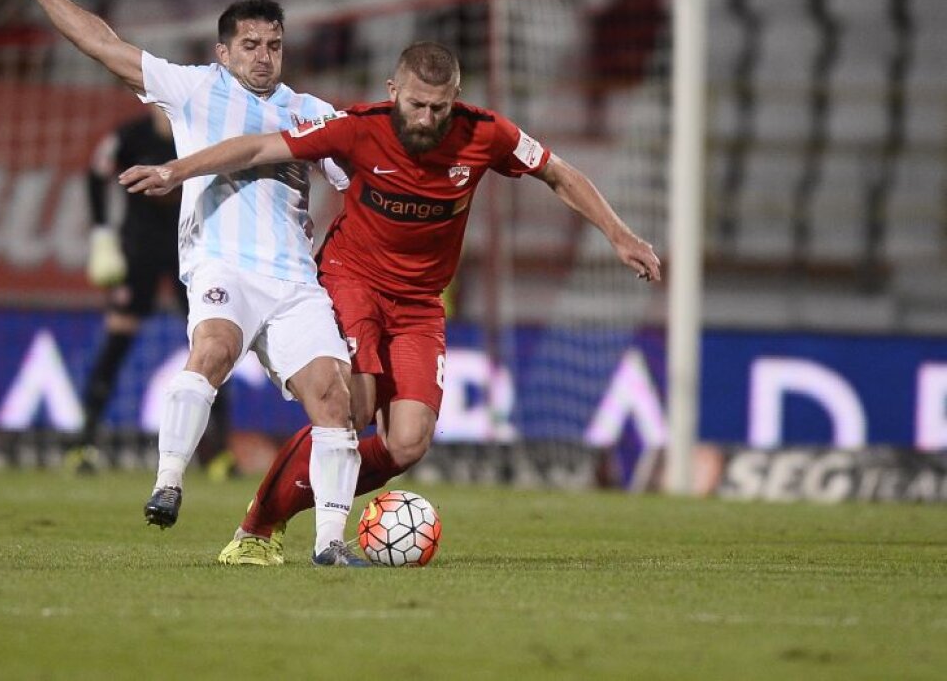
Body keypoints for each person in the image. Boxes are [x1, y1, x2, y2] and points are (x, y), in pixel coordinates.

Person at [121, 41, 661, 566]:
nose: (426, 118)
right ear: (393, 90)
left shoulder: (485, 132)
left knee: (407, 443)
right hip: (352, 280)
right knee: (350, 410)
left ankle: (301, 502)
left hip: (421, 303)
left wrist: (621, 236)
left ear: (456, 98)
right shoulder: (359, 127)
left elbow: (557, 172)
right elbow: (261, 147)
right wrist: (177, 170)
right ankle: (260, 526)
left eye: (439, 108)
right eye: (416, 104)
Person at [0, 0, 368, 566]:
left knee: (333, 397)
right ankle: (168, 482)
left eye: (274, 45)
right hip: (221, 264)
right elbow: (101, 42)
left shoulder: (311, 113)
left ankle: (329, 544)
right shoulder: (193, 88)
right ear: (223, 52)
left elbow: (361, 179)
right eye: (250, 45)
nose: (264, 56)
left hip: (294, 278)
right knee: (212, 348)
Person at [67, 111, 236, 480]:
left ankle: (219, 451)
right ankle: (84, 443)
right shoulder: (130, 136)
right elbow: (96, 174)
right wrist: (101, 233)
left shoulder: (197, 134)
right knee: (119, 337)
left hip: (190, 250)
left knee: (211, 343)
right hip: (139, 249)